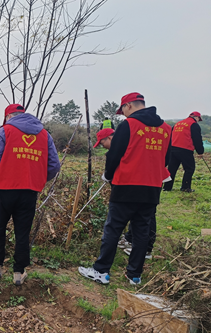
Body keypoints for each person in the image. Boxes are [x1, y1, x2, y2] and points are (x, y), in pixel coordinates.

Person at [79, 92, 171, 285]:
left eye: (123, 111)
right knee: (141, 233)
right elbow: (167, 159)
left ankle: (101, 271)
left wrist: (108, 175)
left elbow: (114, 155)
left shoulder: (128, 125)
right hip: (152, 188)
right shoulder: (165, 129)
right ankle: (134, 275)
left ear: (129, 106)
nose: (123, 115)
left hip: (126, 186)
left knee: (113, 229)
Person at [0, 104, 60, 285]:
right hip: (30, 191)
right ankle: (19, 272)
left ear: (8, 116)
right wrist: (38, 178)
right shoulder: (44, 135)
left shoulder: (4, 132)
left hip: (4, 189)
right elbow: (54, 166)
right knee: (23, 231)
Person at [94, 128, 160, 260]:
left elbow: (114, 160)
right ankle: (132, 244)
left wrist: (108, 175)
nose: (104, 147)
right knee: (140, 219)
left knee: (143, 218)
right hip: (148, 182)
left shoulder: (125, 144)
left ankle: (146, 249)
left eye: (102, 144)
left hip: (139, 184)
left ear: (110, 138)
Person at [163, 111, 204, 192]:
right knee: (189, 169)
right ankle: (185, 187)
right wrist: (200, 151)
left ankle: (167, 188)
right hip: (185, 149)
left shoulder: (178, 124)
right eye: (199, 119)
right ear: (197, 117)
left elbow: (170, 136)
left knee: (171, 169)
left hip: (173, 149)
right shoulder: (193, 125)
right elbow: (197, 139)